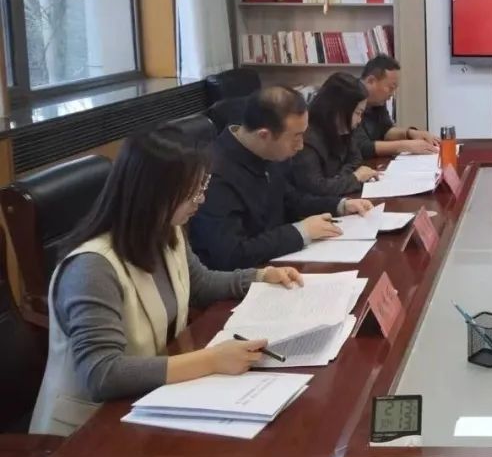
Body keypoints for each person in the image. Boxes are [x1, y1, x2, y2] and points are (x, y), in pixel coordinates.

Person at [29, 126, 304, 436]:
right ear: (153, 194)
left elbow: (199, 283)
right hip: (86, 432)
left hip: (147, 404)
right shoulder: (92, 268)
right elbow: (102, 373)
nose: (201, 200)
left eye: (202, 187)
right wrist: (212, 360)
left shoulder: (165, 230)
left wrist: (260, 276)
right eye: (192, 192)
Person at [189, 86, 373, 271]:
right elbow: (231, 254)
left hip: (281, 262)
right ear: (264, 135)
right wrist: (300, 232)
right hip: (248, 277)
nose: (301, 146)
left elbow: (291, 199)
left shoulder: (268, 153)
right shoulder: (214, 174)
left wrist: (339, 205)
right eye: (296, 137)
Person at [291, 72, 379, 196]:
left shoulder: (343, 129)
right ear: (339, 110)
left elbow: (356, 158)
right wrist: (354, 178)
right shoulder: (306, 139)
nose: (359, 120)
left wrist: (340, 178)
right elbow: (316, 188)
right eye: (358, 113)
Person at [351, 55, 440, 159]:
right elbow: (361, 147)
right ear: (371, 81)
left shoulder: (377, 101)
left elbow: (386, 131)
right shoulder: (349, 96)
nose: (392, 94)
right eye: (391, 88)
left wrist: (411, 133)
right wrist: (405, 146)